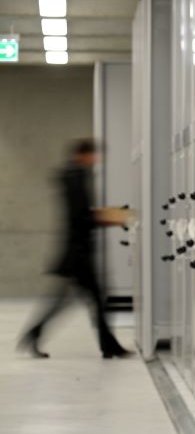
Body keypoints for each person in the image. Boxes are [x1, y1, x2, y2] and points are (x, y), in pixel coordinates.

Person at [16, 139, 133, 359]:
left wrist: (102, 215)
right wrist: (108, 218)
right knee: (94, 300)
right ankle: (109, 347)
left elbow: (81, 214)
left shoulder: (73, 175)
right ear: (83, 155)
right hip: (79, 254)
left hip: (77, 252)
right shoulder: (75, 178)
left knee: (72, 301)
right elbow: (80, 217)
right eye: (93, 155)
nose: (96, 159)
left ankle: (35, 333)